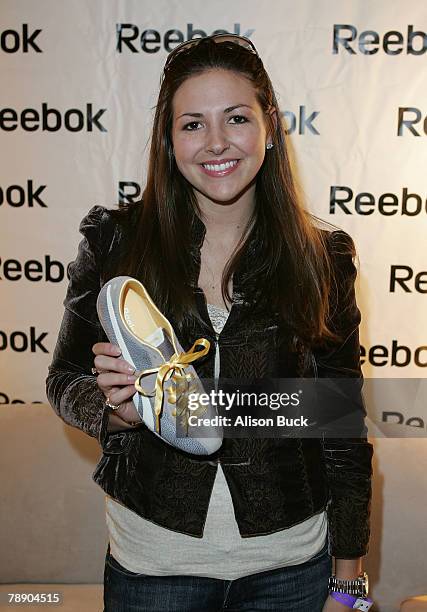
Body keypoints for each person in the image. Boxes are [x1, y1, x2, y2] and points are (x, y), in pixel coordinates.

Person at [46, 35, 373, 612]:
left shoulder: (323, 258)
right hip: (153, 567)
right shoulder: (116, 240)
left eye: (237, 118)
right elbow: (65, 380)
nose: (216, 143)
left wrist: (349, 579)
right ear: (168, 141)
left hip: (291, 568)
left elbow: (340, 426)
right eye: (192, 124)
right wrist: (117, 412)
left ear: (269, 125)